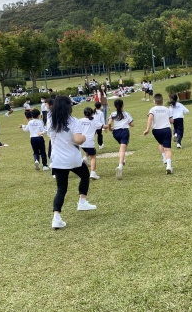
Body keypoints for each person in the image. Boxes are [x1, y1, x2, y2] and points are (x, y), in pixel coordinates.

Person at [48, 96, 96, 229]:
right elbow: (78, 139)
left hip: (57, 159)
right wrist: (84, 137)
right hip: (72, 158)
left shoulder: (51, 119)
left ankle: (56, 217)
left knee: (61, 189)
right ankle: (82, 201)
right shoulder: (73, 121)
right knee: (85, 175)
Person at [143, 93, 174, 175]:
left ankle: (164, 158)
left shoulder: (152, 110)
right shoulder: (167, 109)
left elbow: (150, 118)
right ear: (162, 101)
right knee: (168, 149)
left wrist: (147, 129)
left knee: (160, 143)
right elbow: (171, 121)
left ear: (154, 101)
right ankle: (169, 166)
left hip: (156, 131)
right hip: (166, 130)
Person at [107, 98, 134, 180]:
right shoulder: (126, 114)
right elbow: (132, 124)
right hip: (124, 132)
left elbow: (109, 123)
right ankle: (120, 166)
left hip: (116, 133)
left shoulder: (113, 114)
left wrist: (110, 129)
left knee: (123, 146)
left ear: (115, 106)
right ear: (123, 105)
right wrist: (128, 123)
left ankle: (123, 159)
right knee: (122, 149)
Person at [80, 107, 106, 180]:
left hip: (81, 142)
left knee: (87, 150)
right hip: (89, 142)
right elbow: (103, 126)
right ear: (92, 113)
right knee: (93, 157)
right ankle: (93, 173)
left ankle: (85, 157)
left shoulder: (80, 120)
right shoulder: (94, 121)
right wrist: (111, 126)